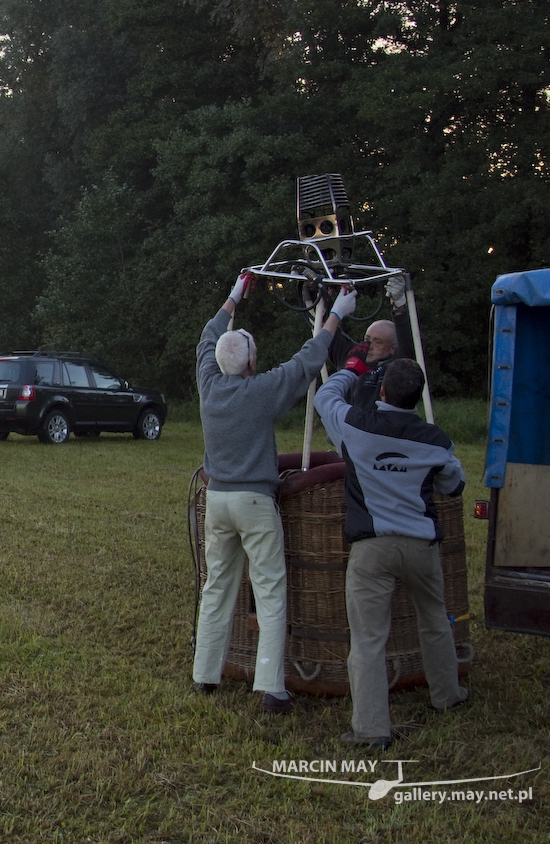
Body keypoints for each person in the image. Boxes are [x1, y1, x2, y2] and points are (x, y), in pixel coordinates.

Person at [192, 272, 356, 713]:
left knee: (216, 588)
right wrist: (337, 314)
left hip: (218, 502)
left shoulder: (208, 385)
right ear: (248, 364)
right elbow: (307, 362)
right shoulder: (260, 391)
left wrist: (233, 297)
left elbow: (207, 338)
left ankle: (204, 674)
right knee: (269, 591)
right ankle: (270, 686)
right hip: (254, 503)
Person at [315, 357, 468, 749]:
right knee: (434, 620)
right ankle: (447, 696)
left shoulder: (354, 426)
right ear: (417, 398)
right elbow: (453, 484)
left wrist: (355, 366)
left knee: (367, 639)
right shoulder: (435, 440)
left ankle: (371, 729)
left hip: (371, 549)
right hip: (420, 546)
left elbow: (325, 395)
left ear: (381, 392)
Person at [326, 275, 418, 410]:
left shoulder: (396, 368)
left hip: (378, 427)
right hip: (346, 427)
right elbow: (327, 331)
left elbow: (407, 345)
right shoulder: (351, 355)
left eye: (378, 342)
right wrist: (316, 292)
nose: (369, 346)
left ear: (392, 348)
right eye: (367, 339)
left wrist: (399, 308)